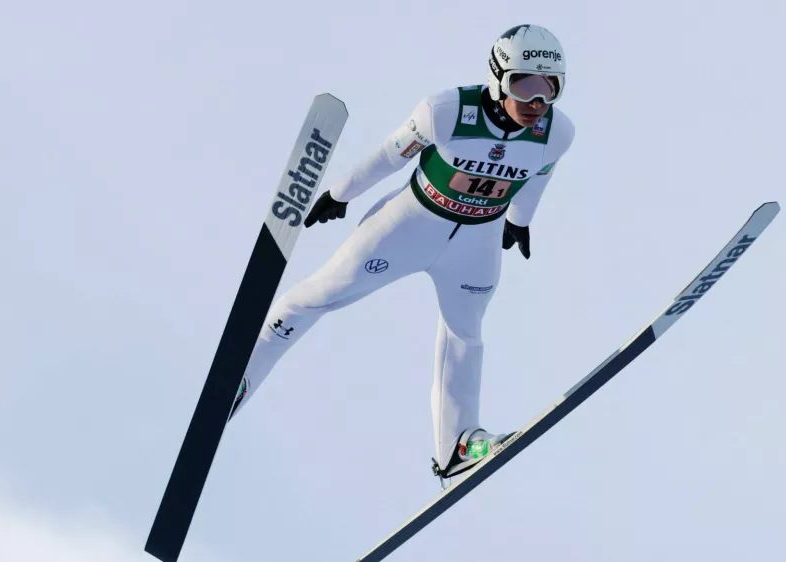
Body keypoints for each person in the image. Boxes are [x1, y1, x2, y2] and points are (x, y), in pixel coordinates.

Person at [230, 24, 575, 482]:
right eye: (526, 85)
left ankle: (458, 445)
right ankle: (241, 376)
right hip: (408, 226)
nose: (538, 103)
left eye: (550, 89)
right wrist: (341, 193)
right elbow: (388, 156)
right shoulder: (447, 110)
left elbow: (538, 176)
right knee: (319, 295)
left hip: (477, 243)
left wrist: (519, 221)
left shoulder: (557, 131)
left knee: (465, 335)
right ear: (497, 78)